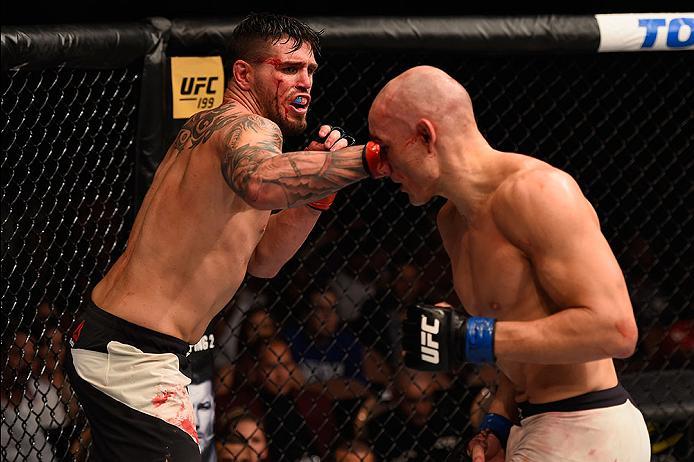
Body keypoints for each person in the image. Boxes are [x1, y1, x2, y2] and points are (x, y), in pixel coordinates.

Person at [65, 12, 388, 461]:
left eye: (311, 70)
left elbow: (265, 260)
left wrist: (320, 190)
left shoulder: (231, 138)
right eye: (288, 68)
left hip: (134, 348)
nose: (305, 81)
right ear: (243, 72)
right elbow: (260, 181)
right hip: (131, 355)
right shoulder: (248, 128)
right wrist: (372, 158)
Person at [372, 66, 650, 461]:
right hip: (532, 422)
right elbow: (520, 333)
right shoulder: (451, 222)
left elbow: (616, 330)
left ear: (425, 136)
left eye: (385, 147)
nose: (381, 167)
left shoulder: (539, 192)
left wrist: (470, 337)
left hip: (589, 427)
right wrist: (499, 420)